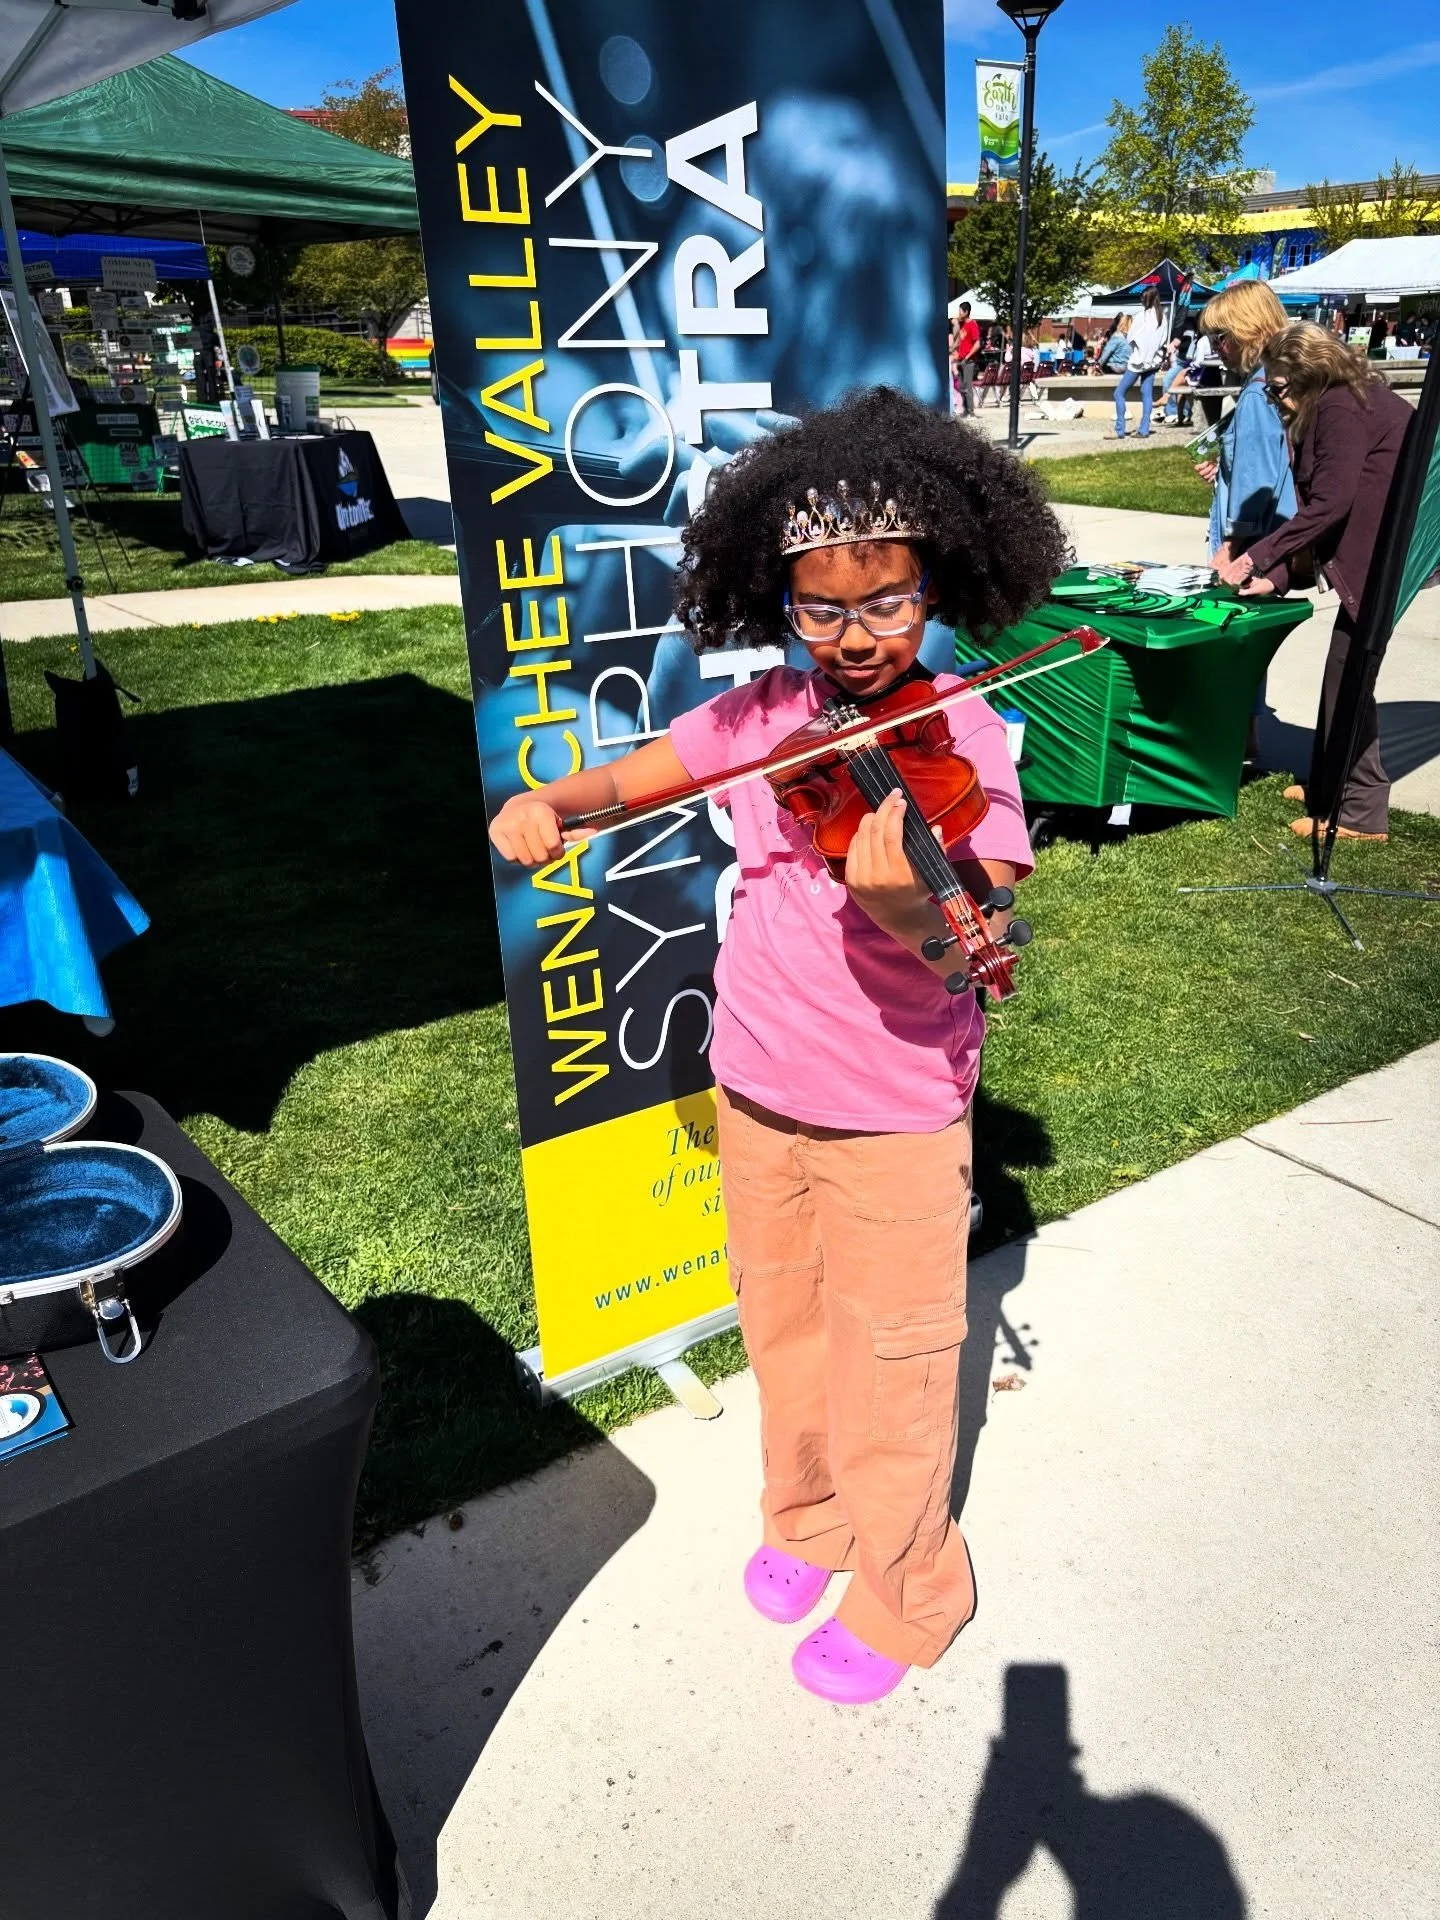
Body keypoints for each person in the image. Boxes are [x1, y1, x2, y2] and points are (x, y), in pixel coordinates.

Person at [489, 388, 1068, 1705]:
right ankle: (806, 1515)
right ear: (779, 599)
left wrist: (916, 904)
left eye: (889, 603)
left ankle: (910, 1585)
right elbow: (634, 778)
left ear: (936, 588)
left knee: (900, 1354)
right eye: (825, 607)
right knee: (786, 1320)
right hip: (756, 1084)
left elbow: (968, 925)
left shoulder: (963, 731)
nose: (859, 639)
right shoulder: (755, 723)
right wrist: (552, 803)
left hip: (895, 1107)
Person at [1215, 322, 1414, 840]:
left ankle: (1361, 814)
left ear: (1310, 376)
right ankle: (1330, 782)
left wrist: (1257, 559)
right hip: (1376, 548)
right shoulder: (1333, 402)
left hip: (1389, 554)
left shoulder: (1341, 407)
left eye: (1279, 387)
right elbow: (1325, 505)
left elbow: (1331, 504)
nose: (1274, 396)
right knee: (1345, 671)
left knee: (1350, 675)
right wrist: (1279, 575)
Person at [1196, 282, 1295, 572]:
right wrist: (1223, 466)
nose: (1216, 347)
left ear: (1247, 329)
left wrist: (1230, 548)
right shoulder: (1283, 378)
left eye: (1221, 336)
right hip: (1275, 534)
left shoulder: (1257, 393)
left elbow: (1256, 481)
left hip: (1252, 546)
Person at [1109, 288, 1167, 439]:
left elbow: (1131, 338)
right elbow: (1163, 340)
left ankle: (1119, 429)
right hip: (1153, 361)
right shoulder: (1163, 317)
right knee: (1146, 394)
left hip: (1138, 360)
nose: (1141, 300)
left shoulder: (1141, 316)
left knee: (1119, 393)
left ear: (1146, 299)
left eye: (1142, 298)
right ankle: (1144, 429)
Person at [952, 300, 981, 418]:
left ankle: (971, 411)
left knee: (967, 386)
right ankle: (965, 409)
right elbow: (958, 340)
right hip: (960, 359)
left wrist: (968, 356)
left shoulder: (972, 325)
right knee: (960, 386)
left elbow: (977, 344)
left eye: (960, 311)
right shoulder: (962, 325)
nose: (958, 314)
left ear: (966, 312)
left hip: (968, 361)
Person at [1097, 314, 1132, 379]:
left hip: (1115, 367)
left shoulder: (1117, 336)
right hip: (1128, 368)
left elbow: (1107, 352)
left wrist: (1098, 364)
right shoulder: (1132, 337)